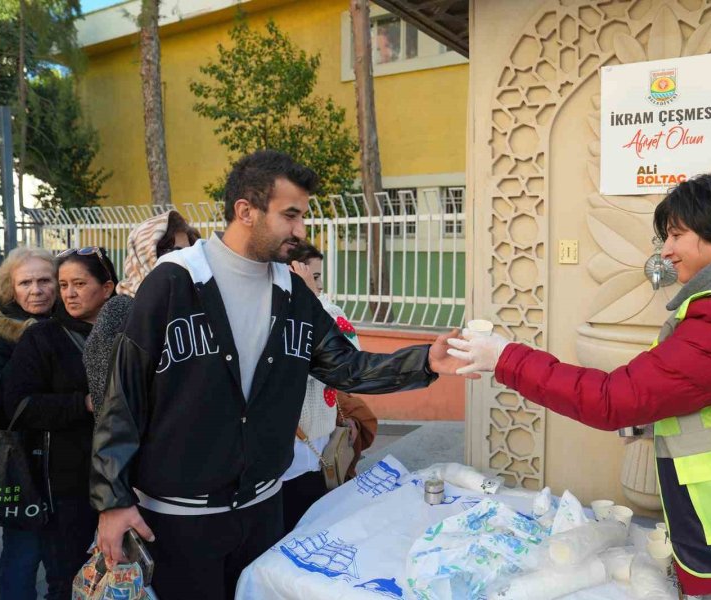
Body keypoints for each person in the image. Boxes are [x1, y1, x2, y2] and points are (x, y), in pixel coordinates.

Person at [447, 167, 711, 599]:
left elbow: (611, 399)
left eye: (676, 236)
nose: (665, 252)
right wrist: (651, 418)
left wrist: (504, 358)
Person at [90, 149, 464, 600]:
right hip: (177, 522)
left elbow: (346, 366)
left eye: (302, 216)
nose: (300, 230)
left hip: (265, 510)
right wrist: (112, 502)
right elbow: (121, 398)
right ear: (245, 211)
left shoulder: (292, 292)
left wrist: (426, 362)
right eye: (290, 215)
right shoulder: (173, 283)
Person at [3, 247, 118, 600]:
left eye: (79, 283)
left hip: (124, 477)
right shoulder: (43, 338)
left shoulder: (131, 332)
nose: (68, 293)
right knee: (67, 580)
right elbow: (16, 406)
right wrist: (81, 403)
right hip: (66, 486)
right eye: (64, 284)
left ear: (108, 288)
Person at [0, 247, 57, 600]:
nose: (36, 290)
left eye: (45, 280)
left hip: (70, 462)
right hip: (20, 463)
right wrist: (30, 345)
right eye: (26, 282)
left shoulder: (73, 321)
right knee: (23, 551)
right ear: (10, 287)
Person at [282, 242, 378, 534]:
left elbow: (346, 364)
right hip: (277, 458)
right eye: (314, 276)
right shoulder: (270, 313)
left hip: (315, 449)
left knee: (313, 526)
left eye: (319, 276)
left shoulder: (327, 311)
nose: (320, 284)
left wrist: (308, 301)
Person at [84, 210, 199, 419]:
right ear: (145, 254)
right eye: (169, 250)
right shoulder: (120, 309)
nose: (180, 258)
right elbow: (108, 398)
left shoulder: (197, 305)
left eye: (185, 251)